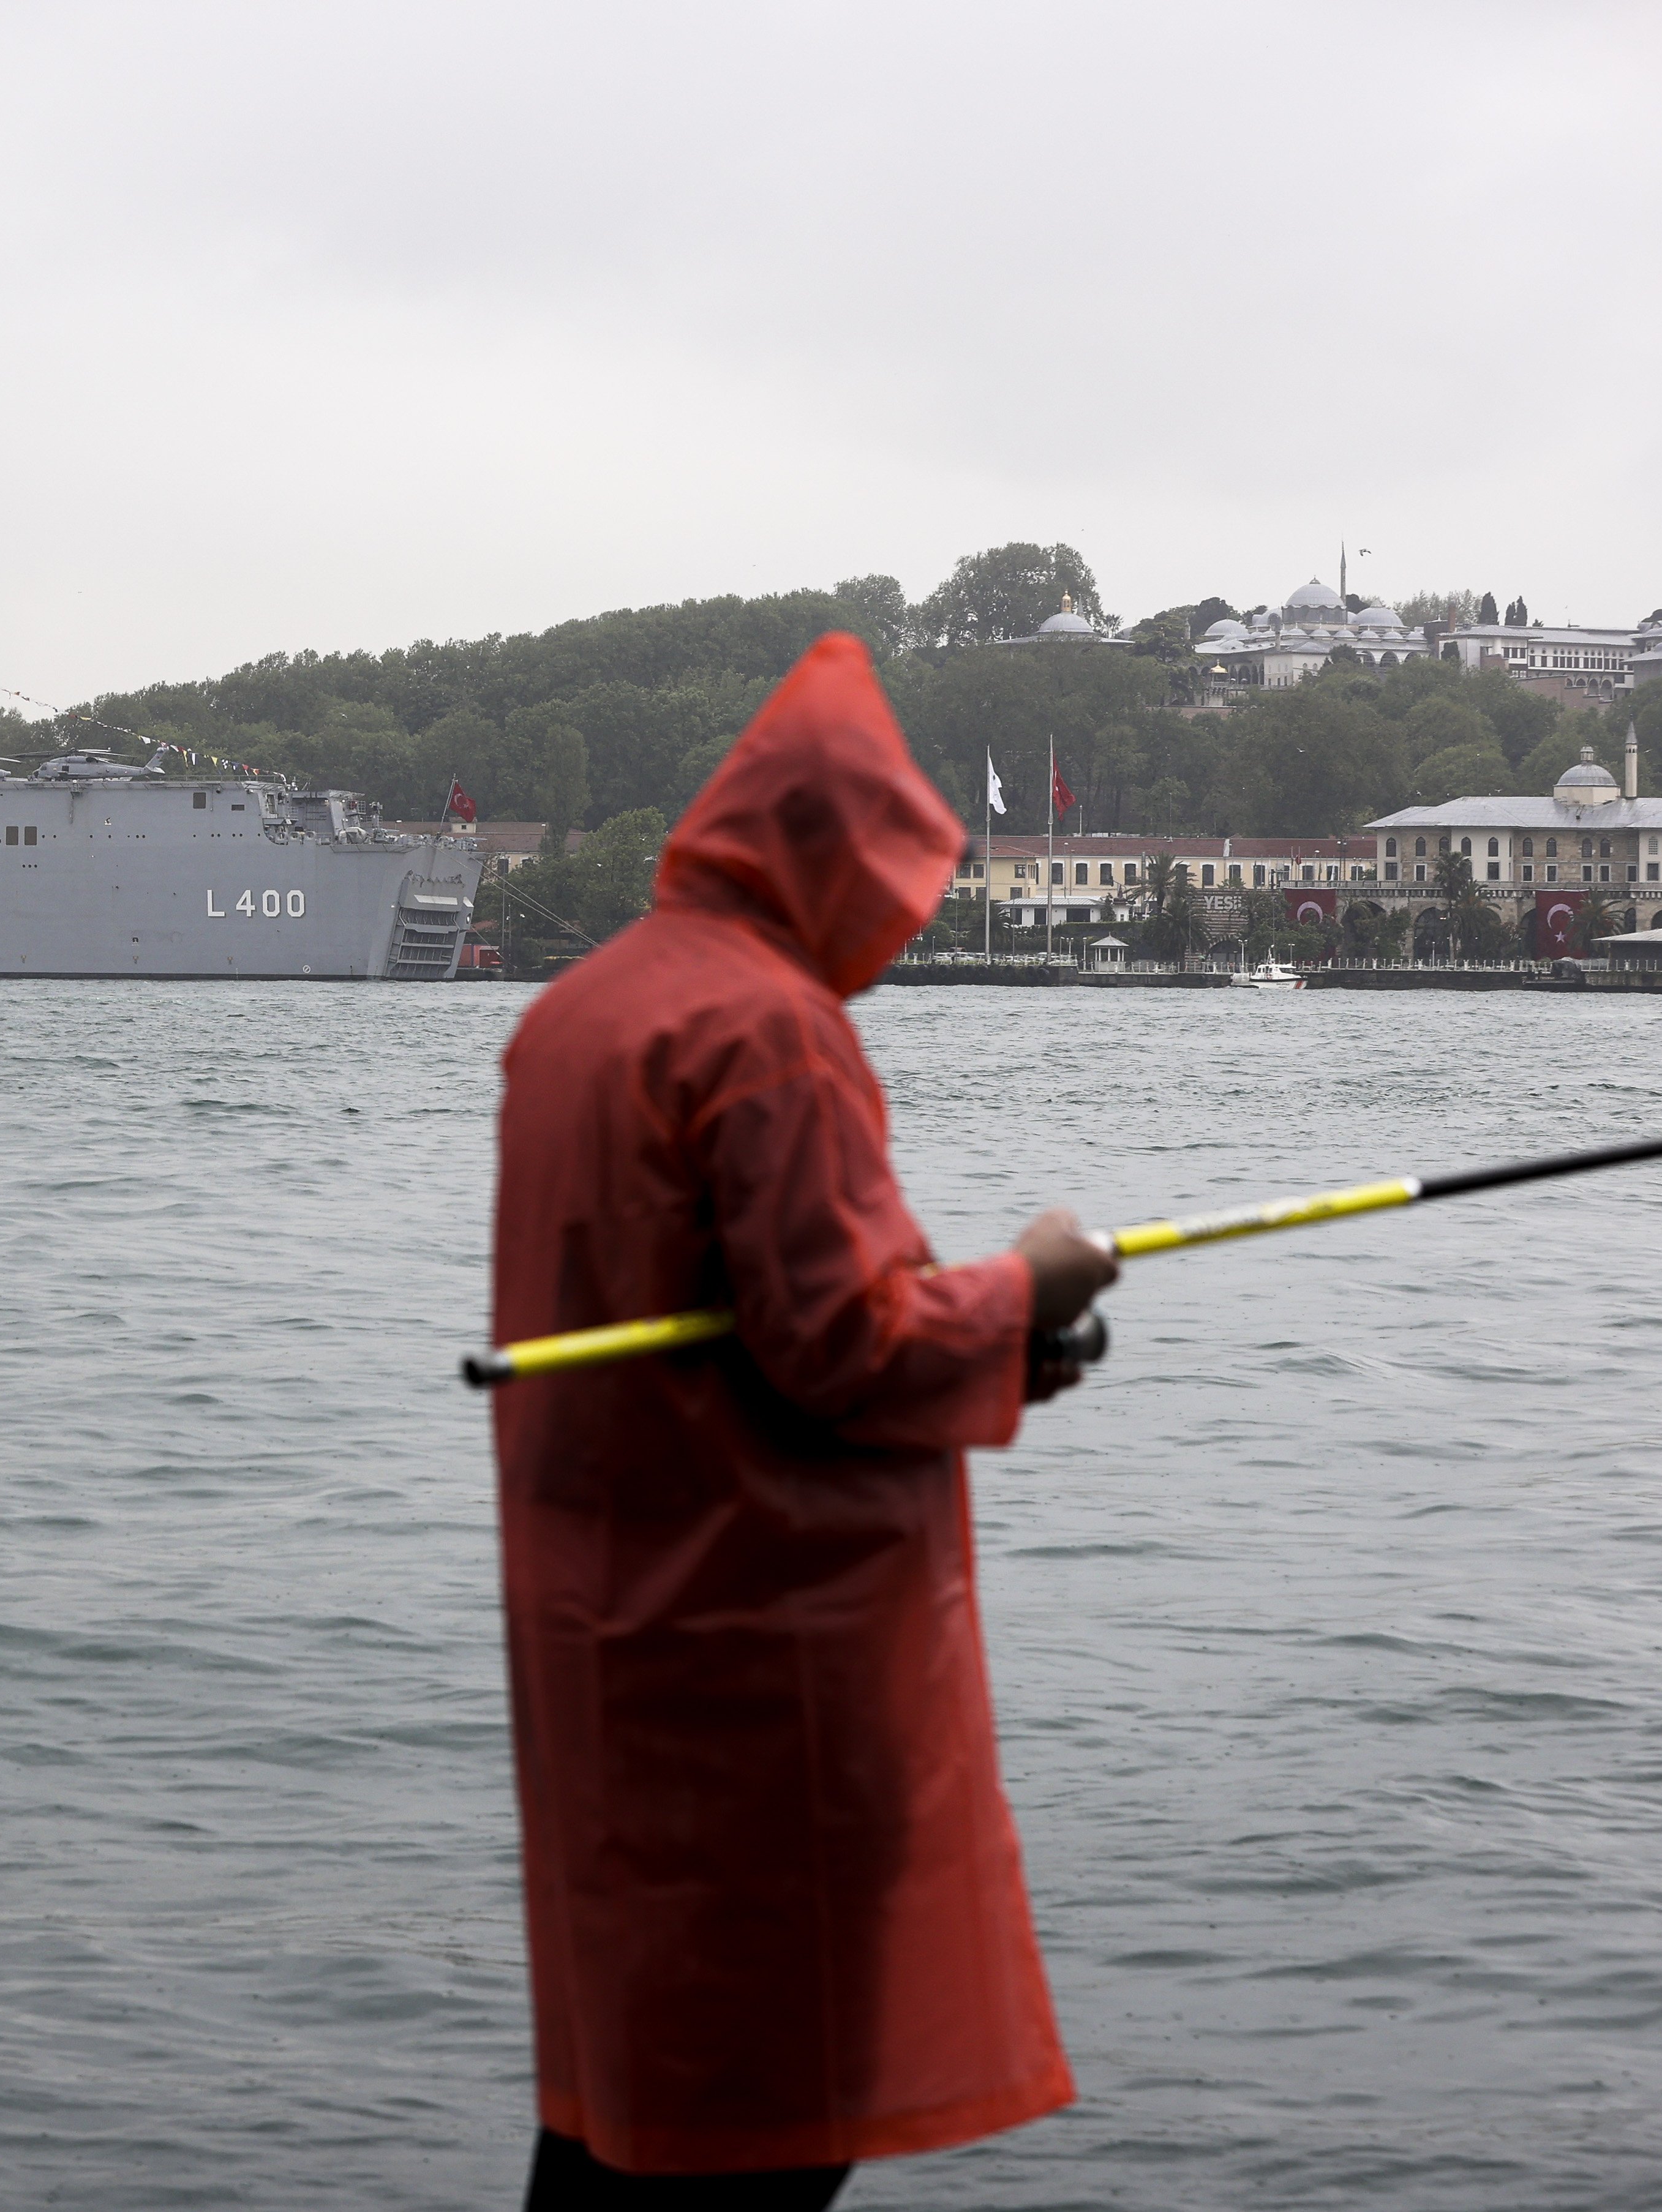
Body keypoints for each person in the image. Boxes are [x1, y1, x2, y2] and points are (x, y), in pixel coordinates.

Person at [487, 634, 1118, 2210]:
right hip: (763, 1650)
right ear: (832, 859)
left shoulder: (578, 1010)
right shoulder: (767, 1028)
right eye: (889, 893)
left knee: (626, 2099)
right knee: (766, 2115)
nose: (890, 943)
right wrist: (1023, 1289)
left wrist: (989, 1350)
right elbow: (838, 1340)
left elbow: (719, 1326)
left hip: (602, 1625)